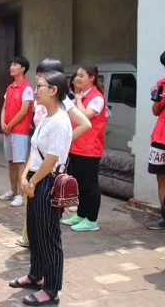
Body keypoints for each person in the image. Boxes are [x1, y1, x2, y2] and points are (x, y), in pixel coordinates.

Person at [8, 70, 72, 306]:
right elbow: (35, 151)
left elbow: (52, 158)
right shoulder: (46, 116)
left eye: (40, 86)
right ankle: (36, 274)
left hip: (48, 182)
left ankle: (51, 288)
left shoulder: (60, 121)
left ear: (53, 90)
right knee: (34, 232)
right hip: (35, 179)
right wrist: (25, 176)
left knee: (49, 236)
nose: (35, 91)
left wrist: (33, 182)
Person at [16, 58, 92, 248]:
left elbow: (85, 124)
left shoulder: (62, 101)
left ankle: (37, 244)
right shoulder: (41, 98)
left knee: (45, 218)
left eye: (42, 75)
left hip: (49, 164)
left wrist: (61, 143)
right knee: (32, 208)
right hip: (37, 154)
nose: (38, 79)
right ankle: (30, 238)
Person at [61, 64, 107, 232]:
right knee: (79, 185)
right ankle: (81, 214)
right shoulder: (79, 96)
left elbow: (84, 117)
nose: (77, 78)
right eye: (77, 75)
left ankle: (92, 220)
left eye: (82, 75)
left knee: (90, 186)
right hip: (76, 147)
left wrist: (79, 100)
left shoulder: (97, 98)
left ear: (92, 78)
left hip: (90, 149)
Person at [0, 56, 34, 208]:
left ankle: (21, 194)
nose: (12, 67)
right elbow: (4, 107)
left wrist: (9, 125)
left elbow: (23, 111)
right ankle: (12, 190)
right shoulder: (10, 87)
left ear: (23, 69)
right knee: (11, 161)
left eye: (15, 65)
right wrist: (2, 123)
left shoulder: (27, 88)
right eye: (11, 64)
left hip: (19, 131)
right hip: (8, 130)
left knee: (19, 162)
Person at [145, 49, 165, 230]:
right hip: (161, 136)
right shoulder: (162, 83)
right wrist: (157, 98)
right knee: (161, 177)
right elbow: (155, 112)